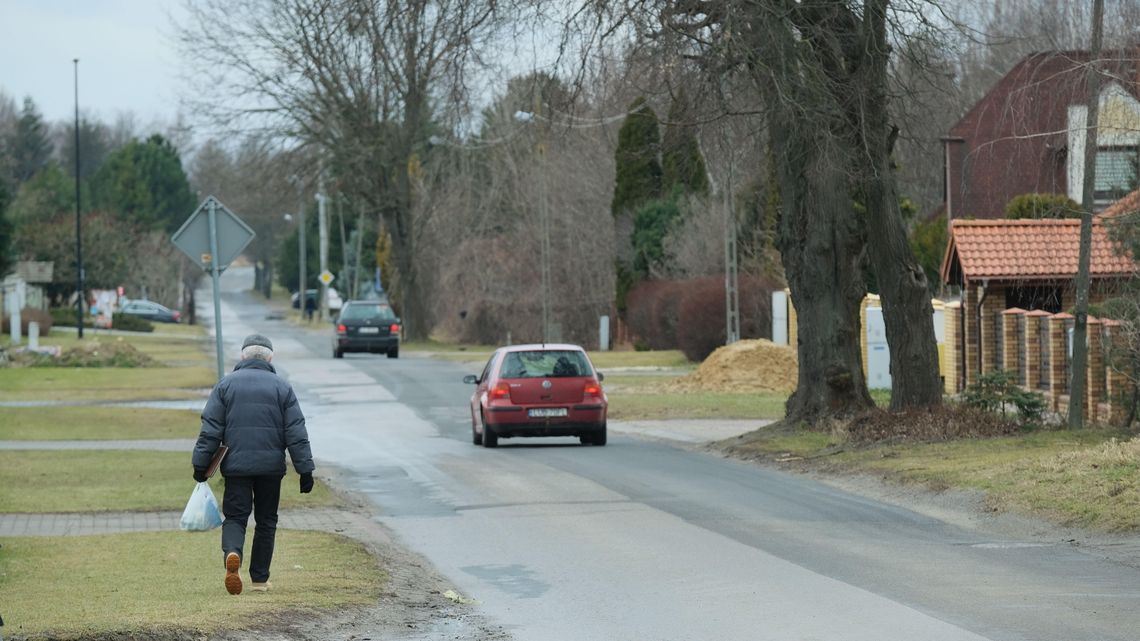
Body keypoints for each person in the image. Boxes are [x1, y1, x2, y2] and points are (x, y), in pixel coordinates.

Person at [191, 333, 315, 595]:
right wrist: (305, 470)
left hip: (236, 467)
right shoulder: (282, 387)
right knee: (266, 520)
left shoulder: (225, 386)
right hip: (271, 468)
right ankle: (259, 579)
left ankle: (232, 553)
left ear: (242, 356)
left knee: (235, 517)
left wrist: (200, 464)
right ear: (270, 357)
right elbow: (296, 431)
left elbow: (210, 430)